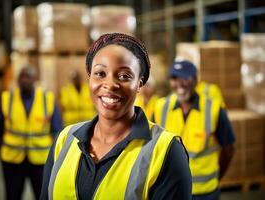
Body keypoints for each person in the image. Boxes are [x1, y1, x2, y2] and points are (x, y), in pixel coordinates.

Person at [40, 33, 192, 200]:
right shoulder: (64, 140)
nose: (111, 85)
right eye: (100, 73)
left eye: (124, 76)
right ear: (90, 77)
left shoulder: (166, 152)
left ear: (139, 84)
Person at [152, 60, 236, 200]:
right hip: (172, 190)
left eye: (184, 78)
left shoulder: (213, 109)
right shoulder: (160, 108)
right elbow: (151, 147)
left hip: (205, 193)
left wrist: (216, 177)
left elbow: (229, 148)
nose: (179, 84)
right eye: (174, 78)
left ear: (196, 81)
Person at [0, 66, 63, 200]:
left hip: (40, 160)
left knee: (42, 195)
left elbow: (57, 131)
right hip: (12, 160)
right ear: (18, 80)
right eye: (22, 77)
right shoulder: (7, 98)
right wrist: (2, 156)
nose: (25, 80)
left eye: (28, 77)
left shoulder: (47, 99)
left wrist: (53, 159)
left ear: (35, 80)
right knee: (12, 195)